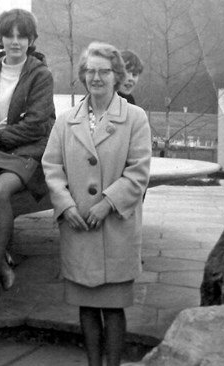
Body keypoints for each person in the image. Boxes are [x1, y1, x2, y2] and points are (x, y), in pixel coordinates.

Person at [42, 42, 152, 366]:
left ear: (116, 76)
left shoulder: (135, 118)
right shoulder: (66, 121)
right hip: (78, 228)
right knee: (87, 306)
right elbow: (51, 167)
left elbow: (138, 171)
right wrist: (65, 205)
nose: (96, 77)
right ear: (83, 75)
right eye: (90, 70)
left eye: (104, 71)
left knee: (113, 307)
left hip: (115, 228)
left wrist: (107, 204)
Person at [0, 8, 55, 318]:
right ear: (1, 38)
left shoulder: (40, 74)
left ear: (31, 40)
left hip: (26, 148)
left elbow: (37, 124)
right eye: (10, 35)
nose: (15, 41)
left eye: (22, 35)